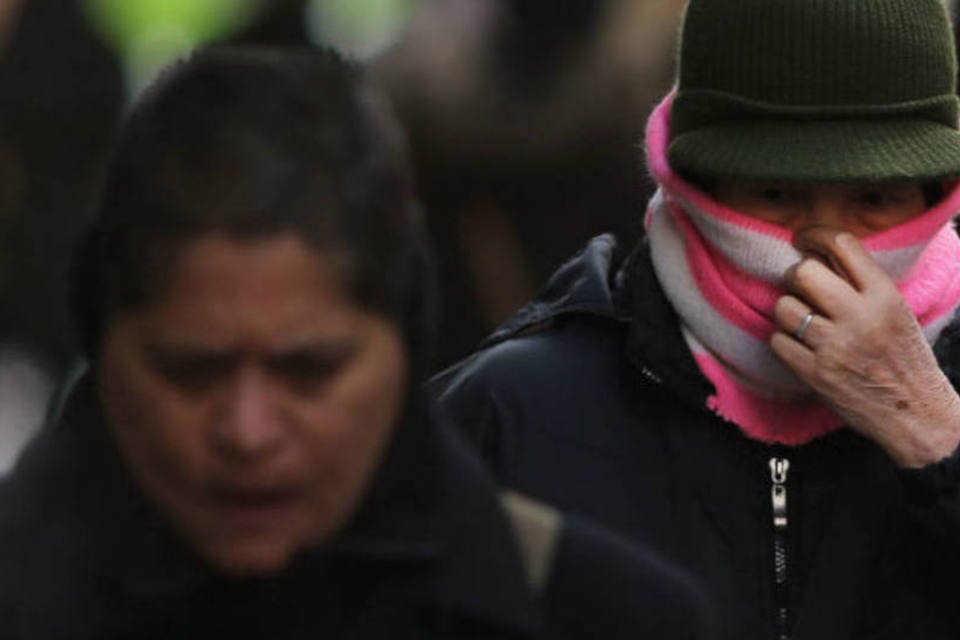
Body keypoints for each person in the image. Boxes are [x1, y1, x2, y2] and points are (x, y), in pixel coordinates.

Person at [0, 46, 710, 639]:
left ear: (402, 342)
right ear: (104, 342)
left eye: (309, 371)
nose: (247, 431)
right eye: (192, 371)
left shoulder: (606, 618)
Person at [432, 0, 960, 638]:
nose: (825, 239)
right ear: (696, 181)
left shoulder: (946, 410)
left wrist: (934, 437)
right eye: (776, 193)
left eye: (874, 198)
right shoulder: (511, 414)